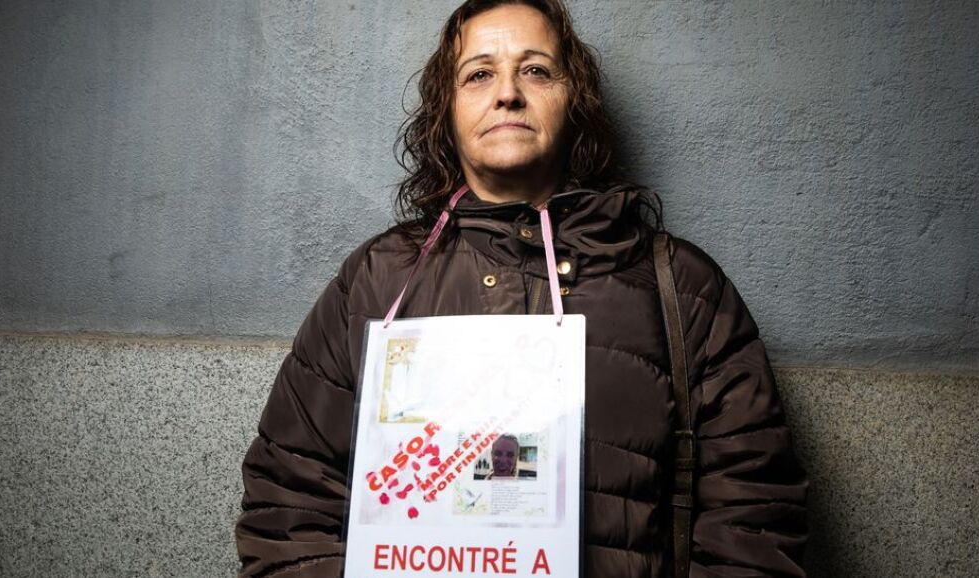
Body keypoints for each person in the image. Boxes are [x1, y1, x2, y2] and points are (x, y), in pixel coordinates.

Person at [234, 1, 809, 577]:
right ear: (447, 109)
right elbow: (288, 502)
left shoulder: (682, 288)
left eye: (535, 70)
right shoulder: (376, 282)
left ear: (574, 98)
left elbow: (754, 518)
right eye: (479, 74)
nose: (507, 93)